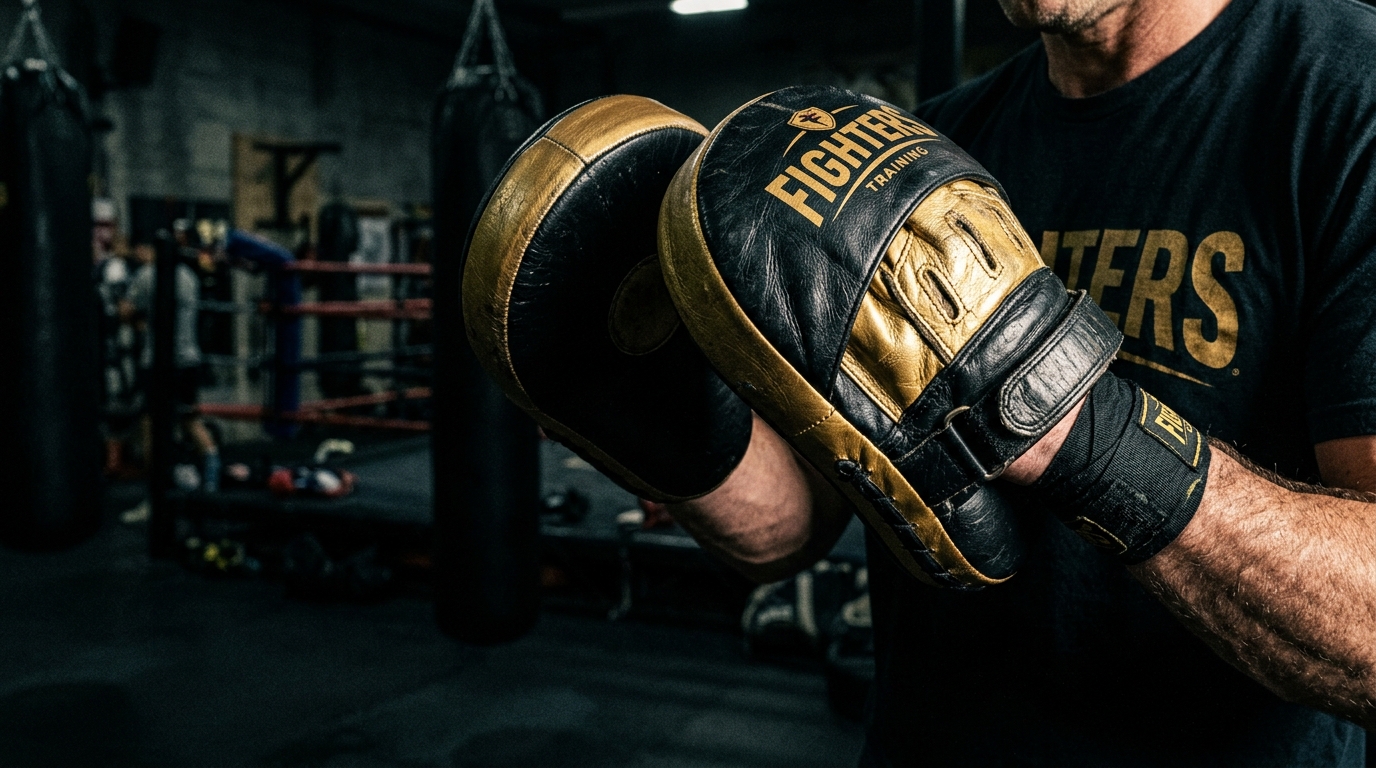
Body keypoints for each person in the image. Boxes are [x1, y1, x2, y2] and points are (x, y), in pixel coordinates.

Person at [657, 0, 1376, 764]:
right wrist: (650, 400)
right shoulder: (925, 151)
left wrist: (1066, 424)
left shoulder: (1344, 94)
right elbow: (794, 525)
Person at [121, 235, 221, 492]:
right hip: (189, 358)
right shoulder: (189, 275)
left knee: (150, 424)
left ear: (147, 248)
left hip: (157, 361)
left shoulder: (147, 275)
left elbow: (125, 311)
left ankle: (157, 495)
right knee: (189, 419)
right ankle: (211, 481)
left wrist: (137, 323)